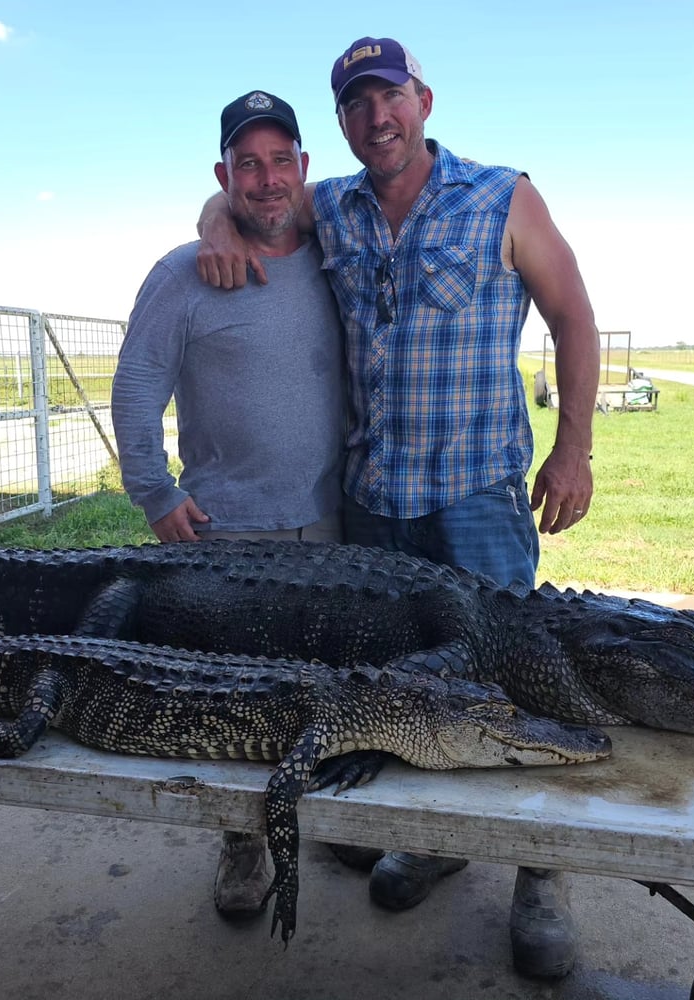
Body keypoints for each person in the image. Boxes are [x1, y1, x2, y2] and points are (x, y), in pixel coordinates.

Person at [196, 39, 600, 980]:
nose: (376, 117)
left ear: (423, 99)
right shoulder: (330, 204)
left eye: (390, 98)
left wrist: (573, 446)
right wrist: (216, 221)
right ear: (341, 121)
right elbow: (246, 195)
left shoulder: (502, 195)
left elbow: (573, 315)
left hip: (478, 507)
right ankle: (430, 840)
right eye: (355, 105)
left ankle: (542, 874)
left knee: (524, 688)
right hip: (372, 510)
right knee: (401, 693)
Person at [111, 90, 346, 920]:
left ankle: (331, 817)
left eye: (282, 159)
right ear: (224, 174)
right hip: (228, 534)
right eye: (247, 164)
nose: (266, 178)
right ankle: (242, 843)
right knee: (235, 698)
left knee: (331, 691)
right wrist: (155, 494)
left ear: (305, 169)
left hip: (334, 526)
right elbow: (137, 388)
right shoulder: (184, 273)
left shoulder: (338, 249)